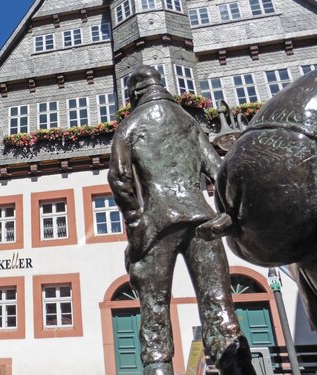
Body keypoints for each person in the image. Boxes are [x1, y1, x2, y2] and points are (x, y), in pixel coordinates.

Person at [107, 65, 255, 375]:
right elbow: (218, 170)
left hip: (157, 225)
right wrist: (228, 214)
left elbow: (119, 178)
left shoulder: (130, 126)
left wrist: (135, 221)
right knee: (219, 302)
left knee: (155, 307)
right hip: (203, 221)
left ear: (134, 94)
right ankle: (236, 366)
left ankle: (158, 366)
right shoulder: (189, 122)